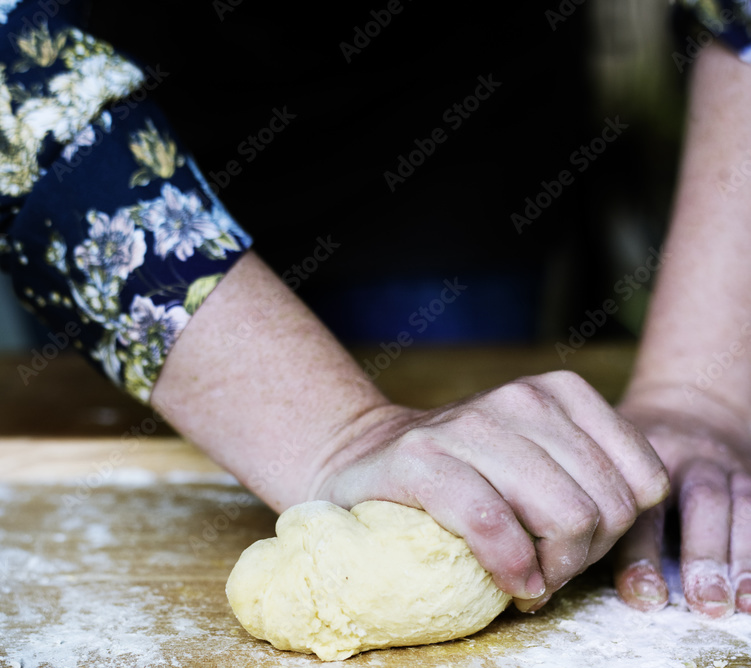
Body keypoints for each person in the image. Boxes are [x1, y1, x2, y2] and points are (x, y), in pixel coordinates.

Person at [0, 0, 748, 618]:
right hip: (115, 111)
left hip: (443, 115)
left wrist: (699, 393)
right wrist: (334, 433)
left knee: (484, 508)